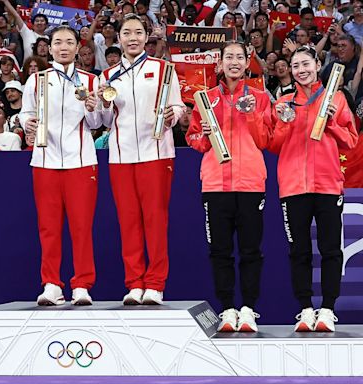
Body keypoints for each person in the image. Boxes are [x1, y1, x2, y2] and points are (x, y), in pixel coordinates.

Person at [270, 46, 358, 332]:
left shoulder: (337, 98)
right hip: (294, 187)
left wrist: (331, 121)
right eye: (295, 65)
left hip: (328, 185)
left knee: (331, 250)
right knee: (299, 251)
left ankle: (328, 310)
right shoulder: (284, 102)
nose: (301, 70)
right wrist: (283, 122)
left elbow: (351, 142)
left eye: (305, 63)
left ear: (317, 63)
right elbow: (272, 145)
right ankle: (306, 309)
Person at [99, 14, 184, 305]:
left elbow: (178, 106)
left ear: (146, 37)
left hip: (156, 153)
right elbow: (105, 119)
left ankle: (156, 284)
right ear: (118, 39)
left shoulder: (163, 70)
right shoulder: (108, 76)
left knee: (155, 220)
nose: (132, 38)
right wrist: (105, 103)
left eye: (138, 32)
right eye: (127, 33)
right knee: (128, 221)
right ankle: (134, 283)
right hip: (121, 156)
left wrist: (175, 115)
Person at [187, 41, 272, 332]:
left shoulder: (260, 97)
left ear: (248, 63)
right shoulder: (206, 98)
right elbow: (194, 140)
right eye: (229, 57)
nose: (234, 62)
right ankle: (226, 309)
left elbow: (265, 141)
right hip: (215, 185)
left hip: (250, 184)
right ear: (220, 64)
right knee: (220, 251)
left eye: (240, 57)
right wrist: (205, 135)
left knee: (251, 251)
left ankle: (248, 309)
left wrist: (250, 115)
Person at [20, 25, 101, 306]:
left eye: (69, 42)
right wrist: (25, 123)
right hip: (45, 160)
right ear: (50, 47)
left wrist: (93, 108)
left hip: (81, 161)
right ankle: (52, 283)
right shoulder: (37, 80)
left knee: (81, 227)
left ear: (78, 47)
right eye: (58, 42)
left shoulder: (91, 81)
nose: (63, 47)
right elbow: (25, 113)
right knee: (49, 227)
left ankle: (82, 284)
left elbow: (97, 124)